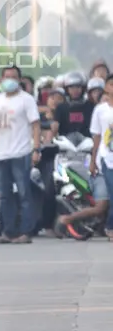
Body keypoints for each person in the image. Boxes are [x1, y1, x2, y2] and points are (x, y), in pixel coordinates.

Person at [0, 66, 41, 244]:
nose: (10, 80)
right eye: (7, 76)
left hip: (21, 152)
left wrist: (36, 149)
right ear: (2, 79)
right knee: (5, 195)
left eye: (14, 77)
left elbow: (36, 125)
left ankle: (25, 232)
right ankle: (8, 232)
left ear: (19, 79)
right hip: (1, 155)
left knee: (24, 194)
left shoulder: (26, 100)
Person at [77, 73, 113, 239]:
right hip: (107, 158)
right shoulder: (100, 110)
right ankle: (110, 227)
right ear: (106, 87)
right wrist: (93, 161)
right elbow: (96, 137)